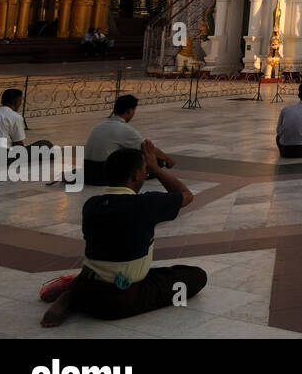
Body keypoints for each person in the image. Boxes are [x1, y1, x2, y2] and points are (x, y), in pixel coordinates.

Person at [40, 146, 207, 327]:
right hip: (118, 300)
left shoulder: (91, 204)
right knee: (196, 276)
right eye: (144, 171)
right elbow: (186, 195)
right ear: (136, 176)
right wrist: (157, 169)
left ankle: (71, 294)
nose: (146, 174)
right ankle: (73, 293)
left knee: (117, 266)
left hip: (86, 289)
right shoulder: (145, 204)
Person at [84, 94, 178, 186]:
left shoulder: (99, 126)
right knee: (155, 161)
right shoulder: (124, 129)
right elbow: (147, 149)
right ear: (129, 111)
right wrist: (168, 160)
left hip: (88, 172)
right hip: (103, 176)